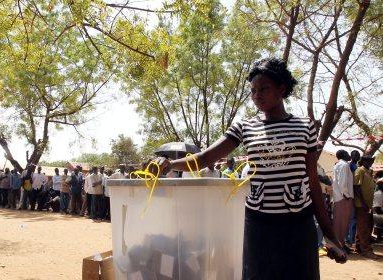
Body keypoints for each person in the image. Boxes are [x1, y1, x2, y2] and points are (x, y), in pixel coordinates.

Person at [151, 58, 346, 279]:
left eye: (264, 89)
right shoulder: (245, 127)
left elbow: (312, 181)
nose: (257, 96)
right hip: (258, 223)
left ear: (281, 88)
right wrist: (170, 164)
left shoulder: (304, 126)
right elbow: (206, 157)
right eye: (253, 91)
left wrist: (330, 235)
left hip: (298, 223)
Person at [353, 156, 378, 259]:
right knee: (364, 227)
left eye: (371, 161)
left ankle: (359, 247)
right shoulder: (360, 170)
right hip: (361, 204)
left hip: (368, 204)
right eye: (368, 161)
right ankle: (366, 250)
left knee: (366, 226)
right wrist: (363, 202)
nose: (370, 163)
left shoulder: (369, 172)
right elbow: (356, 186)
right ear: (363, 161)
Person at [332, 149, 354, 251]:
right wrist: (346, 195)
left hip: (339, 197)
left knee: (339, 223)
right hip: (343, 198)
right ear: (343, 155)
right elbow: (342, 182)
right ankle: (338, 247)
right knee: (342, 223)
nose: (349, 155)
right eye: (347, 153)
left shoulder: (338, 165)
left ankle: (339, 245)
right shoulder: (344, 165)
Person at [346, 150, 361, 248]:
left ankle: (351, 240)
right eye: (355, 155)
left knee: (354, 219)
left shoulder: (357, 167)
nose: (356, 156)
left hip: (355, 196)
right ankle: (349, 241)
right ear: (351, 156)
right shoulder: (350, 166)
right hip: (351, 195)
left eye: (358, 155)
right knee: (351, 219)